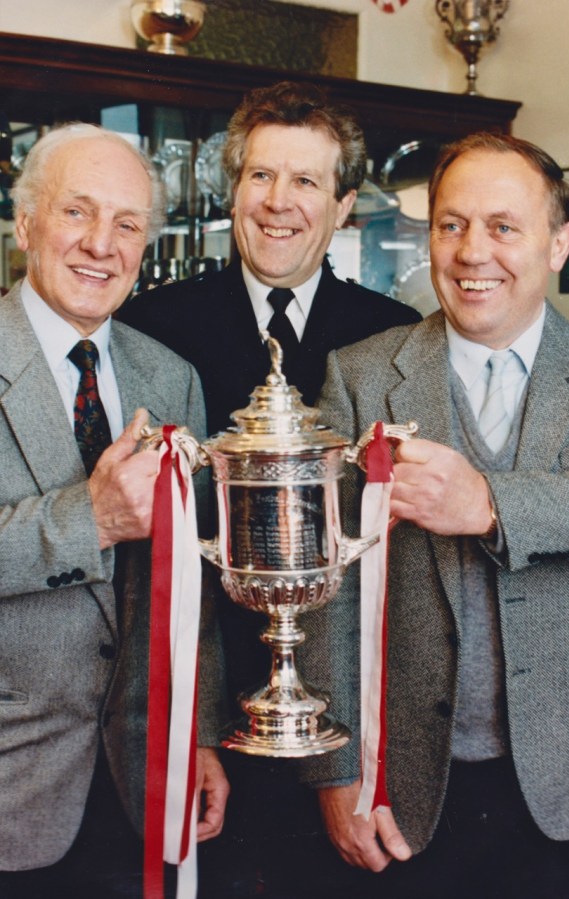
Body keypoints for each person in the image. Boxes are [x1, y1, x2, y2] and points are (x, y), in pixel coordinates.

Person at [119, 80, 421, 897]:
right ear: (232, 187)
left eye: (306, 181)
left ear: (344, 203)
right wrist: (190, 728)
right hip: (198, 725)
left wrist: (344, 762)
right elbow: (145, 559)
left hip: (349, 737)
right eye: (261, 176)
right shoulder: (151, 328)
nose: (278, 203)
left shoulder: (392, 339)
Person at [298, 132, 569, 899]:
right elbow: (325, 589)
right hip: (403, 791)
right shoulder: (358, 377)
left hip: (566, 793)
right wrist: (336, 771)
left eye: (502, 226)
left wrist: (485, 503)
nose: (469, 251)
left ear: (559, 243)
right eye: (449, 225)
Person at [0, 123, 229, 899]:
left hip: (142, 787)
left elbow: (191, 582)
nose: (102, 244)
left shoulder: (172, 378)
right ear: (26, 221)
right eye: (77, 212)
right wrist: (87, 518)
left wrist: (195, 734)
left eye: (127, 224)